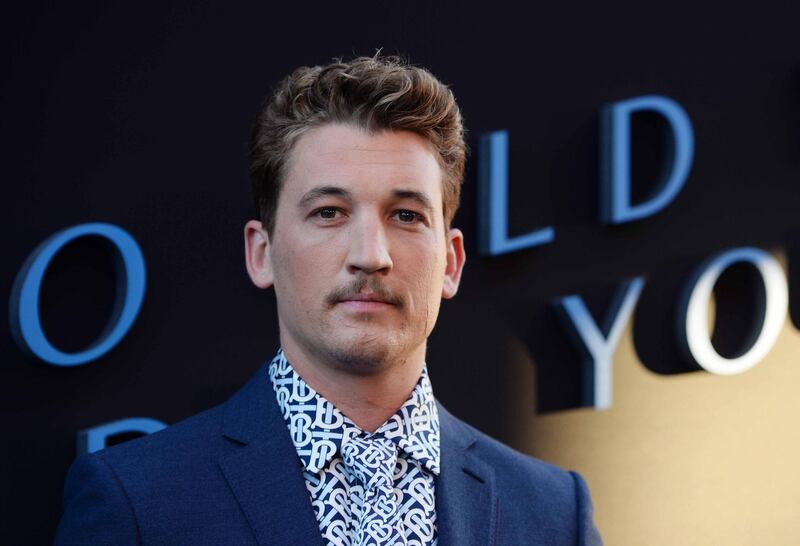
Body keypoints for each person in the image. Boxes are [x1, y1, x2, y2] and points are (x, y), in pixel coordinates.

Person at [54, 54, 603, 545]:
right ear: (261, 252)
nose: (371, 254)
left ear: (451, 261)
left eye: (406, 216)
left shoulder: (554, 514)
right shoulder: (137, 503)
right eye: (329, 212)